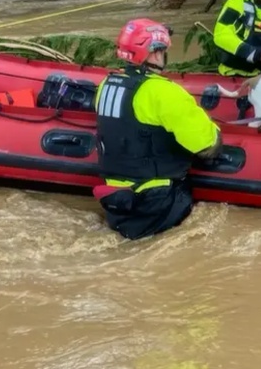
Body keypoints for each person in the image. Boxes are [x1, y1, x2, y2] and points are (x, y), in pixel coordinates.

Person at [94, 18, 223, 240]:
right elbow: (205, 143)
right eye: (162, 51)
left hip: (117, 200)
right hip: (157, 199)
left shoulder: (106, 86)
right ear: (154, 54)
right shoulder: (164, 92)